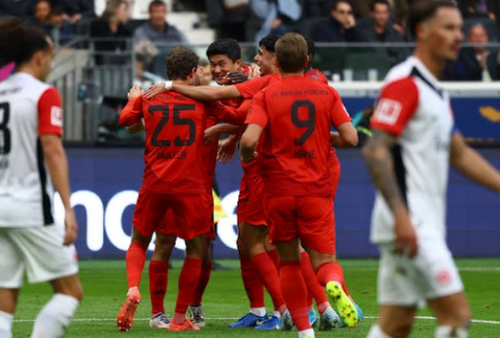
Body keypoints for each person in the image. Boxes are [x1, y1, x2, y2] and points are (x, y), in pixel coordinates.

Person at [362, 2, 500, 338]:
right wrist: (401, 215)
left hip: (418, 222)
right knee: (457, 316)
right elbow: (375, 149)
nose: (459, 37)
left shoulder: (435, 91)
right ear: (422, 31)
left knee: (396, 324)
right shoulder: (405, 82)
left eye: (460, 28)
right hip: (411, 223)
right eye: (449, 28)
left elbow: (460, 153)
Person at [240, 32, 359, 338]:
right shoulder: (325, 92)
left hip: (279, 190)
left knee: (289, 261)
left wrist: (250, 157)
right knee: (325, 261)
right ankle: (332, 284)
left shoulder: (266, 94)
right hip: (316, 190)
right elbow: (350, 138)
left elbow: (249, 139)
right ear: (307, 61)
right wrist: (321, 137)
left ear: (276, 61)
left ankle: (305, 332)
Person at [116, 46, 236, 332]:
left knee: (145, 242)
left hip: (156, 182)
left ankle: (140, 295)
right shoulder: (206, 101)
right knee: (199, 249)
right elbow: (240, 114)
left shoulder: (149, 97)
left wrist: (134, 99)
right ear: (194, 72)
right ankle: (181, 317)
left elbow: (126, 122)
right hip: (194, 187)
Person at [0, 17, 83, 338]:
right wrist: (68, 208)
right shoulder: (43, 93)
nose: (50, 63)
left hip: (2, 207)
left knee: (5, 295)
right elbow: (53, 150)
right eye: (50, 56)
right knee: (69, 291)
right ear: (38, 56)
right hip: (31, 207)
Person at [358, 0, 405, 66]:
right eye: (378, 13)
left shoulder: (395, 33)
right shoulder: (364, 34)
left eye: (385, 12)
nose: (382, 16)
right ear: (372, 13)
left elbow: (401, 55)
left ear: (389, 14)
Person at [89, 0, 131, 65]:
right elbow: (100, 46)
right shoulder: (97, 25)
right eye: (124, 10)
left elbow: (126, 47)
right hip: (101, 65)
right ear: (115, 10)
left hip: (121, 65)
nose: (126, 13)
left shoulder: (125, 30)